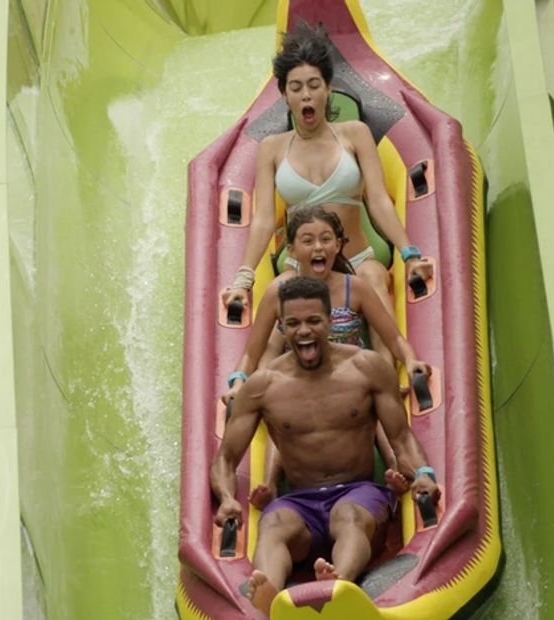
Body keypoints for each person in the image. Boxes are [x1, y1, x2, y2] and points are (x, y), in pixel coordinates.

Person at [210, 276, 439, 616]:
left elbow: (401, 437)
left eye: (313, 321)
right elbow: (225, 459)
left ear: (330, 320)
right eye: (293, 323)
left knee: (347, 516)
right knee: (272, 526)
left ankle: (339, 588)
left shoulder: (366, 368)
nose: (304, 331)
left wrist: (422, 473)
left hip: (359, 494)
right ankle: (270, 601)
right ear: (282, 328)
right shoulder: (263, 386)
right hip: (300, 503)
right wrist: (228, 499)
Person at [221, 206, 431, 506]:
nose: (318, 247)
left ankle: (399, 469)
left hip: (347, 372)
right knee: (284, 411)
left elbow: (393, 336)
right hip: (300, 373)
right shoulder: (279, 291)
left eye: (325, 239)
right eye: (308, 241)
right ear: (292, 250)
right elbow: (253, 351)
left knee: (377, 399)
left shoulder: (353, 288)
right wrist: (239, 380)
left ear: (339, 244)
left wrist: (410, 360)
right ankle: (269, 484)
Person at [220, 23, 432, 313]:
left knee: (374, 284)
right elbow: (264, 220)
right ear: (285, 95)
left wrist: (409, 254)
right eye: (296, 88)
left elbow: (379, 200)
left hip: (359, 259)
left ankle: (397, 359)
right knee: (279, 302)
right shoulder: (271, 148)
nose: (306, 95)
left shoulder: (355, 134)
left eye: (314, 85)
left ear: (328, 89)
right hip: (300, 266)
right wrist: (243, 278)